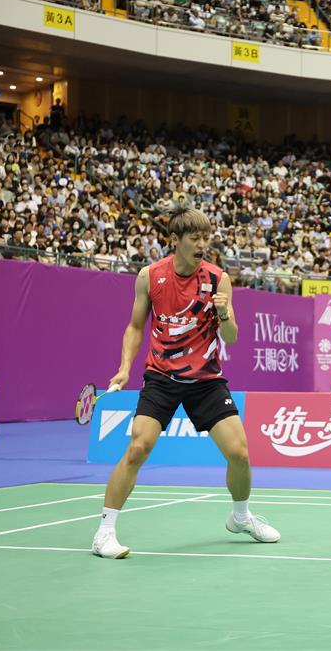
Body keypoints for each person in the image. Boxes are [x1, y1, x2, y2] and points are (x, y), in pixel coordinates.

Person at [91, 208, 280, 559]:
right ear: (175, 241)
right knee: (137, 447)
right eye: (194, 238)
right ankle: (104, 532)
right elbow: (135, 326)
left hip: (206, 379)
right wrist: (123, 368)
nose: (202, 244)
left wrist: (223, 312)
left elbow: (232, 336)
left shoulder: (217, 279)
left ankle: (240, 517)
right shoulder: (150, 276)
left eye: (205, 238)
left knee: (239, 453)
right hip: (161, 376)